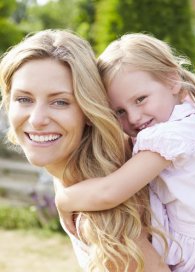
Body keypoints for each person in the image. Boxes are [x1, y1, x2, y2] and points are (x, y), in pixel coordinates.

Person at [54, 33, 195, 272]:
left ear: (172, 80)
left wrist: (63, 200)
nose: (134, 118)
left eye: (140, 99)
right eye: (119, 112)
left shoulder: (172, 136)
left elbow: (110, 192)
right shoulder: (188, 116)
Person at [0, 30, 169, 272]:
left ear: (89, 112)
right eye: (24, 99)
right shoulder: (76, 177)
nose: (37, 119)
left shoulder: (99, 211)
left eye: (60, 102)